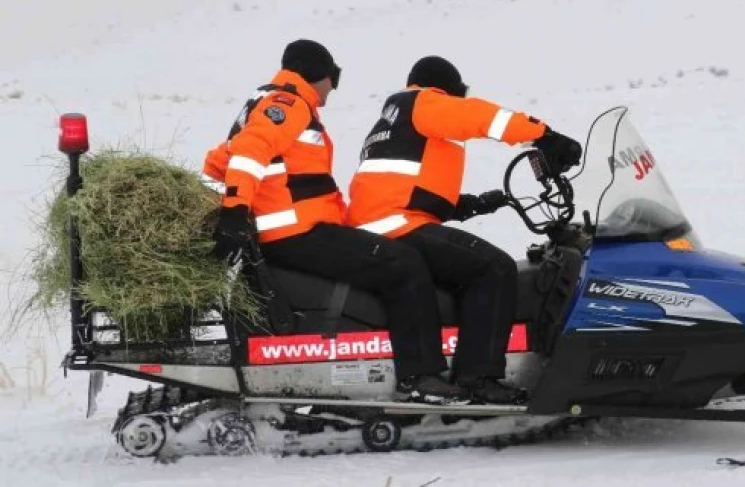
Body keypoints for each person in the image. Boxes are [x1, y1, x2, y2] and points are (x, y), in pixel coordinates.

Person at [202, 40, 469, 405]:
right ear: (319, 74)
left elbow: (219, 160)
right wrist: (235, 210)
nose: (333, 88)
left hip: (294, 227)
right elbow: (250, 152)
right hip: (296, 232)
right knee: (403, 263)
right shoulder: (288, 103)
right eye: (334, 77)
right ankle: (420, 374)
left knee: (385, 257)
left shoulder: (265, 101)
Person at [345, 55, 582, 404]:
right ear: (448, 89)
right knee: (493, 267)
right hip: (395, 223)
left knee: (467, 264)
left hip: (384, 218)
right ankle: (478, 378)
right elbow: (481, 117)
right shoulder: (424, 100)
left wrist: (467, 204)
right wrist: (543, 135)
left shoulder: (393, 117)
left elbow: (402, 182)